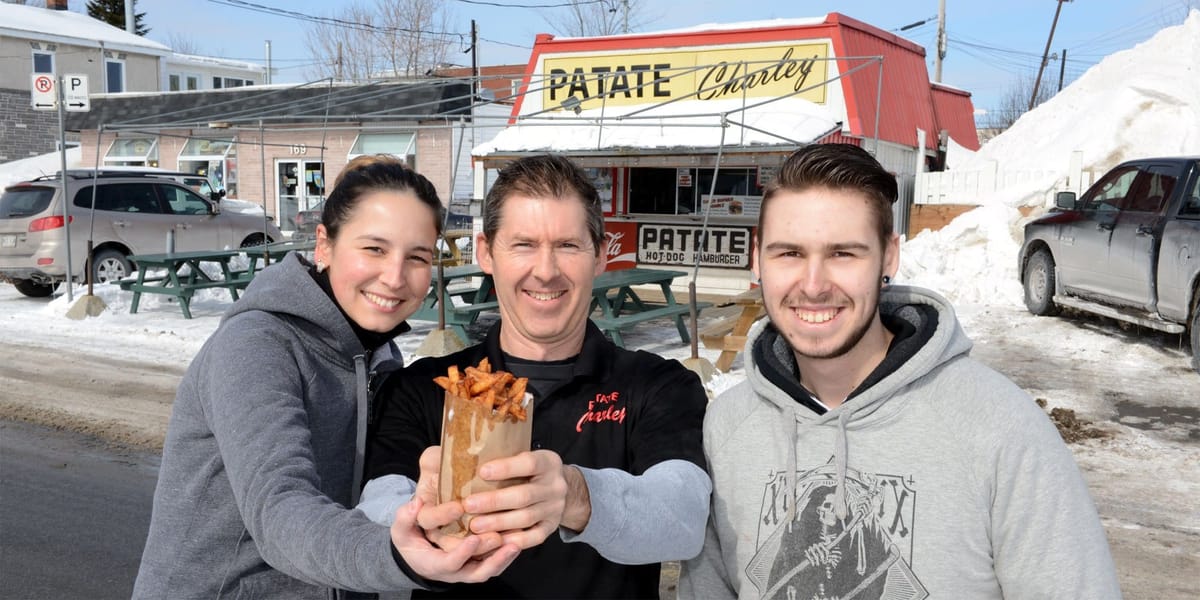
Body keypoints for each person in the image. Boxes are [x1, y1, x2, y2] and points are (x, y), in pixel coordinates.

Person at [678, 144, 1122, 599]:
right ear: (758, 258)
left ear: (889, 257)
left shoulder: (998, 428)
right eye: (789, 253)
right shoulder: (729, 428)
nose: (813, 285)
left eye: (843, 254)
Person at [133, 155, 518, 599]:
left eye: (416, 257)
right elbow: (279, 509)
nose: (394, 277)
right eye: (374, 249)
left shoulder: (379, 356)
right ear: (324, 245)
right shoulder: (256, 345)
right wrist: (396, 555)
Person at [361, 153, 711, 598]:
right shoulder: (423, 387)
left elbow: (684, 518)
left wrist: (577, 495)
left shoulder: (659, 384)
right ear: (487, 253)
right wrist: (420, 513)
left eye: (568, 245)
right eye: (523, 244)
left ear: (601, 255)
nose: (545, 272)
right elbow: (376, 507)